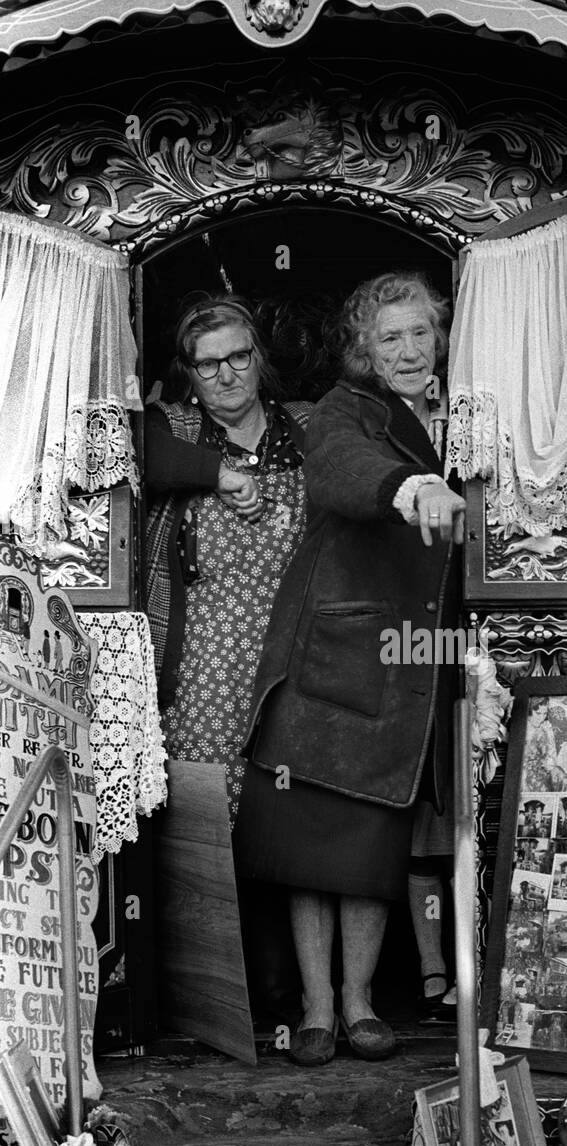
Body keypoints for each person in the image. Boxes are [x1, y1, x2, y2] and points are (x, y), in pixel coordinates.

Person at [235, 272, 465, 1065]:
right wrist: (409, 486)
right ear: (363, 349)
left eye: (420, 333)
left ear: (439, 338)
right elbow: (336, 466)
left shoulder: (464, 413)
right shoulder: (348, 408)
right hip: (333, 654)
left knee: (371, 847)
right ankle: (317, 1006)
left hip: (406, 664)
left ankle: (362, 1000)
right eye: (389, 337)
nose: (408, 350)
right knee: (310, 844)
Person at [144, 294, 308, 1023]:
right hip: (203, 673)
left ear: (258, 358)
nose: (226, 374)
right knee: (207, 832)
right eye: (209, 364)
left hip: (290, 669)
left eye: (238, 356)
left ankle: (284, 997)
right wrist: (221, 474)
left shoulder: (305, 430)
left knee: (285, 831)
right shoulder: (176, 430)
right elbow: (133, 453)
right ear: (189, 373)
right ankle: (207, 1006)